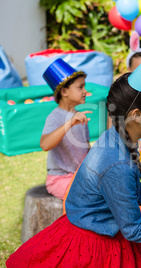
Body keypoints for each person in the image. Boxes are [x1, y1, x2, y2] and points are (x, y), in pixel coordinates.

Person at [7, 50, 141, 268]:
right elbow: (133, 229)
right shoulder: (117, 163)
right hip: (92, 244)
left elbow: (130, 191)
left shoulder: (118, 137)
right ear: (136, 115)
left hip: (106, 230)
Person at [39, 58, 91, 200]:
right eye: (80, 87)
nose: (85, 91)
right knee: (90, 197)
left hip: (79, 177)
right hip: (60, 179)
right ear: (64, 92)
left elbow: (85, 149)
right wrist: (69, 123)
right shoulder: (55, 117)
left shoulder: (79, 116)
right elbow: (44, 144)